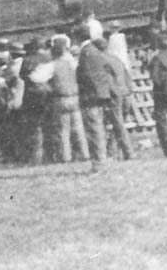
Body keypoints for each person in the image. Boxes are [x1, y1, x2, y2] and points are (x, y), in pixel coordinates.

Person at [31, 35, 89, 164]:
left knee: (63, 130)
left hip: (60, 99)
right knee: (79, 128)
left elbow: (35, 78)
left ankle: (66, 157)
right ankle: (85, 154)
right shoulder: (71, 63)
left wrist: (48, 87)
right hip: (75, 97)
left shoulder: (52, 65)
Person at [75, 29, 115, 171]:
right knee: (98, 128)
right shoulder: (94, 50)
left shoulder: (86, 52)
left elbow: (86, 76)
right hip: (99, 94)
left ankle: (99, 162)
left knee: (94, 129)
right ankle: (101, 159)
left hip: (91, 96)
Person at [18, 38, 51, 164]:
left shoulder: (28, 60)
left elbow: (22, 76)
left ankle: (36, 157)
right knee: (49, 125)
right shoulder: (50, 58)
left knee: (34, 127)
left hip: (32, 96)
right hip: (48, 94)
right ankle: (50, 155)